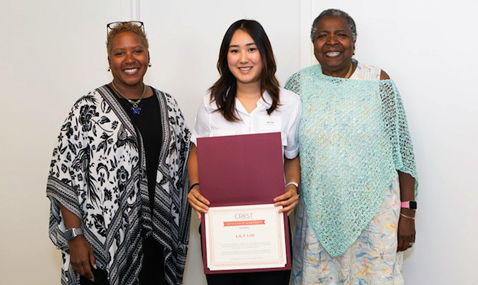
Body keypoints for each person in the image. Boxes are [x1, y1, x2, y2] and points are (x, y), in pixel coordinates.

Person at [46, 21, 191, 285]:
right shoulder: (87, 108)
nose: (129, 59)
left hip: (157, 242)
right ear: (109, 60)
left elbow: (187, 161)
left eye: (137, 51)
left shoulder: (168, 105)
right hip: (99, 245)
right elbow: (65, 173)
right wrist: (74, 236)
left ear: (148, 56)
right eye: (119, 53)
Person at [285, 9, 418, 285]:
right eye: (322, 35)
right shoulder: (297, 86)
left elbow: (402, 153)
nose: (331, 41)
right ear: (313, 45)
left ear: (354, 42)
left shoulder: (378, 82)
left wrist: (408, 213)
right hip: (316, 219)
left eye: (341, 34)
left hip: (375, 218)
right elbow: (287, 152)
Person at [187, 19, 301, 285]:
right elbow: (196, 151)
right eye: (234, 50)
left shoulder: (290, 103)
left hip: (270, 228)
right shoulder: (211, 102)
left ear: (264, 53)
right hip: (220, 228)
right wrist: (195, 186)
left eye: (251, 49)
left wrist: (293, 187)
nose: (243, 58)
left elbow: (292, 156)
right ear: (225, 57)